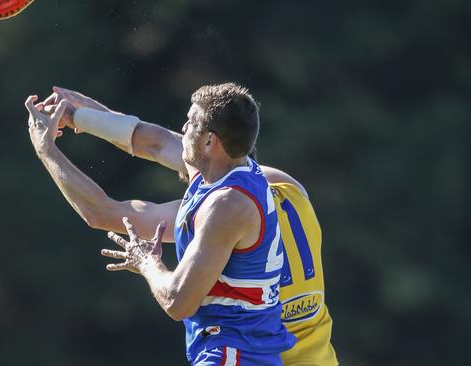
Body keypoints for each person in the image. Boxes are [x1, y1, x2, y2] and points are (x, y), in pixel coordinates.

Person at [43, 85, 338, 365]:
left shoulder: (222, 214)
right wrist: (81, 115)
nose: (183, 132)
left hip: (251, 353)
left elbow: (103, 212)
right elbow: (161, 143)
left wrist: (46, 148)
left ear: (213, 143)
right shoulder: (286, 187)